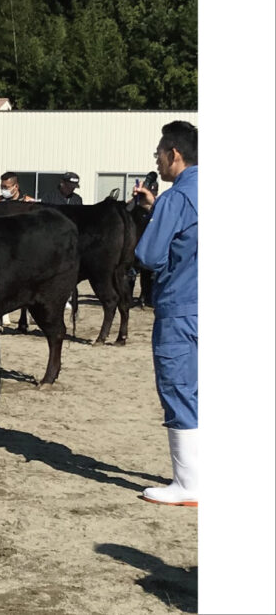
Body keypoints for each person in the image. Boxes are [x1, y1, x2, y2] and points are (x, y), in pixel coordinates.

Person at [132, 120, 198, 507]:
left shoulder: (175, 199)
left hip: (181, 306)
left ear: (174, 153)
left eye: (159, 153)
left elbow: (149, 256)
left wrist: (155, 217)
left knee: (177, 388)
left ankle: (188, 483)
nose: (156, 161)